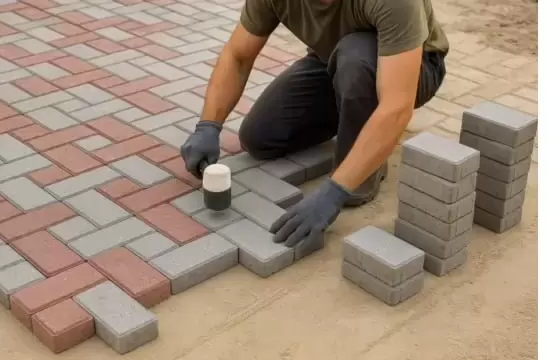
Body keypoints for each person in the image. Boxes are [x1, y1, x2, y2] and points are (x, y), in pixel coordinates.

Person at [180, 0, 449, 251]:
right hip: (333, 59)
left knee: (355, 57)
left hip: (413, 66)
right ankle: (352, 106)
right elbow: (238, 56)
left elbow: (396, 106)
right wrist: (209, 125)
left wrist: (335, 191)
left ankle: (367, 161)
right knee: (259, 138)